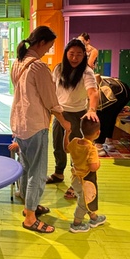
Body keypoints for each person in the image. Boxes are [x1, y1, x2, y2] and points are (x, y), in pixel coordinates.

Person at [10, 26, 71, 234]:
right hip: (35, 124)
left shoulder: (18, 62)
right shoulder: (38, 67)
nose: (48, 50)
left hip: (19, 123)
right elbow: (50, 100)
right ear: (41, 42)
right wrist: (64, 122)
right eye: (49, 46)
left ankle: (29, 206)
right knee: (37, 171)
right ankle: (30, 218)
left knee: (26, 166)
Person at [46, 39, 99, 200]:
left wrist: (92, 109)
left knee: (77, 150)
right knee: (58, 145)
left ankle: (76, 183)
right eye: (71, 54)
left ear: (84, 56)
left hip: (78, 114)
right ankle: (59, 173)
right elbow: (51, 89)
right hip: (60, 113)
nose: (75, 58)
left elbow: (93, 92)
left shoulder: (86, 72)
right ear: (66, 54)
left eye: (79, 54)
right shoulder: (58, 69)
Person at [65, 116, 107, 233]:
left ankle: (94, 217)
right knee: (83, 203)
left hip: (75, 179)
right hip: (86, 180)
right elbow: (93, 167)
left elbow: (66, 149)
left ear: (81, 129)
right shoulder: (91, 149)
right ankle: (76, 224)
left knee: (86, 198)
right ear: (98, 133)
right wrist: (98, 163)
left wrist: (66, 135)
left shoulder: (75, 141)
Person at [96, 77, 130, 154]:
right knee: (111, 116)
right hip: (125, 91)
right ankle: (108, 140)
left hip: (115, 92)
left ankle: (99, 145)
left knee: (103, 117)